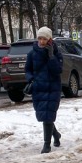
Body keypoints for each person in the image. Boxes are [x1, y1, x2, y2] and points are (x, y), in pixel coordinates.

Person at [25, 26, 63, 154]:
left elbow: (58, 70)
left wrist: (51, 56)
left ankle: (47, 145)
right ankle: (56, 134)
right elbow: (28, 69)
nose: (41, 41)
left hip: (53, 88)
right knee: (44, 115)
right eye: (40, 38)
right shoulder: (32, 53)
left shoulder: (56, 53)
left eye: (44, 39)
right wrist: (31, 79)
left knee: (48, 115)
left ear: (49, 40)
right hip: (39, 88)